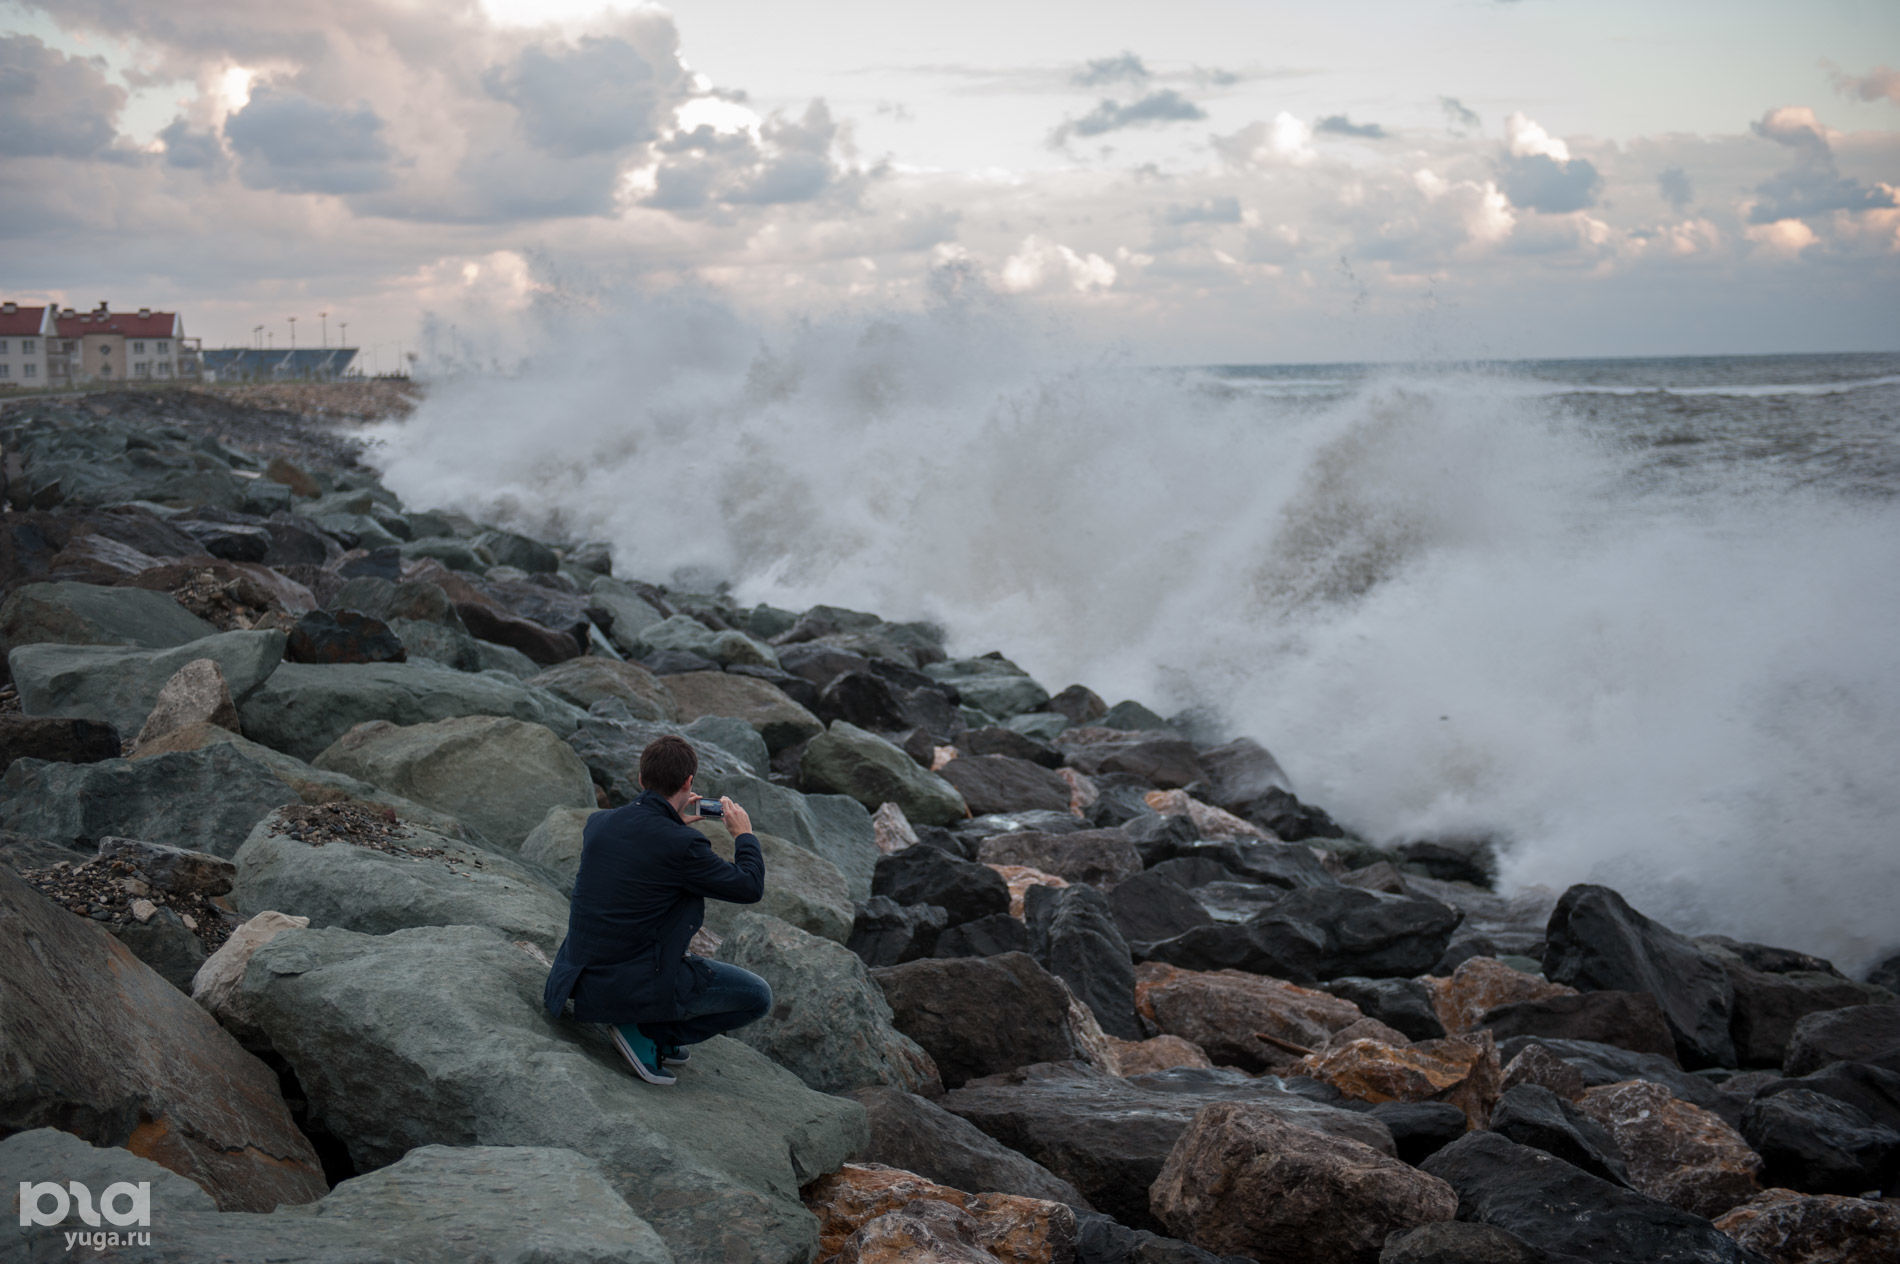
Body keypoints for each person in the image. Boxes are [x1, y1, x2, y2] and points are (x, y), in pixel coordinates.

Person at [542, 734, 771, 1085]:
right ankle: (650, 1034)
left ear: (640, 778)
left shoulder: (600, 823)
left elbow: (643, 858)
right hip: (628, 984)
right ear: (688, 782)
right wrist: (744, 835)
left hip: (579, 976)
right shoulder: (684, 845)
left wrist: (673, 827)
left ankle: (643, 1022)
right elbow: (749, 886)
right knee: (757, 996)